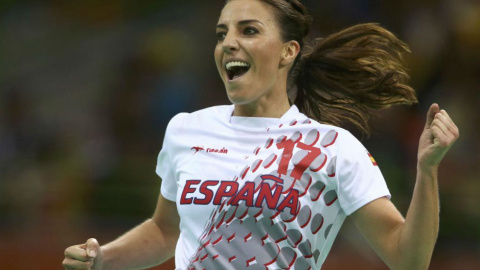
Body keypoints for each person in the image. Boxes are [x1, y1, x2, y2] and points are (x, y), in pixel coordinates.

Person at [62, 0, 459, 269]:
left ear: (288, 52)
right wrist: (104, 257)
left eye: (248, 30)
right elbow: (166, 229)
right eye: (221, 34)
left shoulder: (331, 148)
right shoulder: (186, 129)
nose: (229, 42)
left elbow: (408, 259)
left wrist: (427, 172)